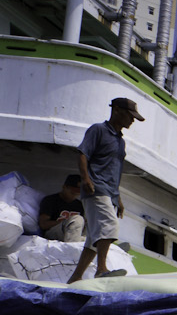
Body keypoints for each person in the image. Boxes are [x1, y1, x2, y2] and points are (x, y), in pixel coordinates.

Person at [67, 96, 144, 283]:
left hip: (110, 192)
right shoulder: (98, 130)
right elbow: (83, 153)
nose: (132, 120)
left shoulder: (120, 142)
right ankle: (101, 269)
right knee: (110, 225)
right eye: (130, 115)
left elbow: (114, 170)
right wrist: (85, 179)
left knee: (94, 238)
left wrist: (119, 199)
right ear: (116, 110)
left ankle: (75, 277)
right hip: (96, 188)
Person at [38, 174, 86, 242]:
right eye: (72, 192)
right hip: (53, 232)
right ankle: (72, 248)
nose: (75, 195)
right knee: (77, 219)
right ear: (64, 187)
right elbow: (43, 224)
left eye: (78, 193)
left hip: (73, 233)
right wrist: (67, 223)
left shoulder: (79, 205)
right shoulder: (50, 200)